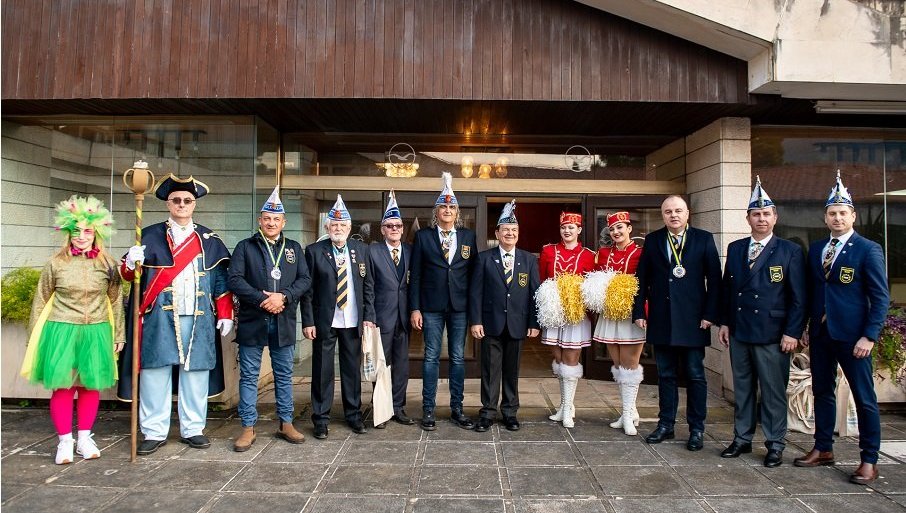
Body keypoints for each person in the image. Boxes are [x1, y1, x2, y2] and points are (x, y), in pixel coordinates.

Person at [120, 173, 235, 456]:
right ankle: (154, 431)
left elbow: (221, 281)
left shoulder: (209, 239)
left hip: (198, 317)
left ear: (194, 204)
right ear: (168, 204)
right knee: (155, 372)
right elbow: (128, 276)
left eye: (187, 200)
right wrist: (131, 263)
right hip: (158, 317)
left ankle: (193, 429)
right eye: (176, 200)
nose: (182, 204)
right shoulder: (148, 236)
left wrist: (225, 313)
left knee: (195, 373)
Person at [794, 171, 889, 484]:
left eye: (842, 213)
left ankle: (869, 459)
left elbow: (880, 297)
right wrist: (806, 326)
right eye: (832, 213)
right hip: (821, 334)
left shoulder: (868, 249)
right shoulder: (818, 249)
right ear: (825, 218)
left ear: (853, 216)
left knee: (864, 398)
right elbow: (812, 292)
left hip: (854, 337)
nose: (837, 218)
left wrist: (869, 335)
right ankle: (823, 448)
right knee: (822, 391)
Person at [23, 195, 124, 465]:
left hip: (96, 330)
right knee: (63, 387)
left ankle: (85, 438)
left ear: (96, 233)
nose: (81, 236)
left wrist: (119, 334)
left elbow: (116, 300)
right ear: (68, 232)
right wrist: (34, 337)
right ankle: (65, 441)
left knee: (90, 386)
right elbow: (40, 299)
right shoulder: (56, 263)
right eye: (76, 231)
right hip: (62, 330)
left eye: (87, 231)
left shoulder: (107, 264)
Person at [717, 178, 807, 467]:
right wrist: (725, 322)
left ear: (775, 217)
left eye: (766, 214)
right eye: (756, 214)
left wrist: (792, 332)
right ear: (748, 219)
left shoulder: (789, 251)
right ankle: (742, 438)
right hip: (740, 331)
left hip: (773, 334)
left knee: (772, 392)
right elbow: (728, 290)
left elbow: (799, 297)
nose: (761, 219)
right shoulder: (736, 248)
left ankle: (775, 443)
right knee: (743, 390)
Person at [633, 195, 721, 451]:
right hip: (662, 318)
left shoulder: (703, 239)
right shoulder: (653, 240)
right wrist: (639, 311)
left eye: (678, 211)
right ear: (663, 215)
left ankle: (697, 429)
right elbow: (642, 278)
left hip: (694, 320)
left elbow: (715, 280)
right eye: (668, 211)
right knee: (666, 375)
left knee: (695, 375)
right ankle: (665, 425)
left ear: (687, 213)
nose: (673, 215)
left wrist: (710, 314)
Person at [228, 187, 311, 451]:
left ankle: (286, 423)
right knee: (249, 375)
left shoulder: (294, 248)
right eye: (267, 219)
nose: (271, 223)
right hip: (253, 320)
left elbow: (305, 280)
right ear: (260, 221)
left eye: (276, 219)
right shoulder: (245, 247)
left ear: (283, 222)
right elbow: (234, 279)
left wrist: (283, 297)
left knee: (284, 374)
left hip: (283, 321)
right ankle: (247, 427)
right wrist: (261, 299)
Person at [301, 194, 376, 439]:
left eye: (343, 225)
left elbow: (368, 286)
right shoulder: (314, 251)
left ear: (349, 227)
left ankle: (353, 414)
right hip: (325, 319)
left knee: (351, 369)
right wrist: (308, 321)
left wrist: (369, 316)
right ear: (327, 227)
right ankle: (321, 419)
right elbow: (307, 291)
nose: (338, 229)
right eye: (334, 225)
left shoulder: (361, 250)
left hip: (353, 319)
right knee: (322, 370)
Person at [409, 172, 476, 431]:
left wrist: (474, 312)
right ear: (436, 211)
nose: (447, 210)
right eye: (443, 207)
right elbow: (415, 275)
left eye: (452, 207)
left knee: (458, 358)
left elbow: (474, 275)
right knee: (431, 357)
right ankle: (428, 409)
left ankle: (457, 408)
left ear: (457, 212)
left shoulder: (468, 237)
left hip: (460, 307)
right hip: (431, 307)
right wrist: (415, 308)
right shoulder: (423, 237)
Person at [469, 200, 541, 432]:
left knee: (512, 371)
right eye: (506, 230)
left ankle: (510, 412)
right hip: (491, 323)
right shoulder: (484, 258)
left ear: (518, 234)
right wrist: (476, 321)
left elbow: (534, 293)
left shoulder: (529, 260)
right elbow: (475, 292)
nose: (510, 233)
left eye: (514, 230)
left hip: (518, 324)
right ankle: (488, 413)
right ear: (497, 233)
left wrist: (534, 322)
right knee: (490, 371)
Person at [541, 212, 596, 428]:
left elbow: (592, 287)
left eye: (571, 227)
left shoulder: (589, 255)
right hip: (554, 312)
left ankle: (567, 409)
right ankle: (564, 406)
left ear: (579, 230)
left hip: (576, 314)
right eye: (564, 227)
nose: (567, 231)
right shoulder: (548, 251)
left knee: (571, 360)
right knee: (559, 360)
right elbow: (542, 280)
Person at [593, 211, 646, 436]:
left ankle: (628, 415)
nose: (616, 232)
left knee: (630, 366)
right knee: (618, 366)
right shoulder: (604, 253)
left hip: (632, 314)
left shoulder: (641, 253)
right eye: (612, 229)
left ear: (629, 229)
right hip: (610, 314)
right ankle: (628, 412)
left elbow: (646, 282)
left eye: (620, 227)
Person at [368, 191, 414, 427]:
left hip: (403, 318)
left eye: (398, 225)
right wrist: (369, 316)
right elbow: (368, 286)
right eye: (389, 226)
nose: (394, 229)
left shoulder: (410, 251)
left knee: (401, 365)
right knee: (381, 365)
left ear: (402, 229)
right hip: (381, 317)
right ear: (382, 229)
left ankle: (398, 407)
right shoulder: (373, 251)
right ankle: (381, 408)